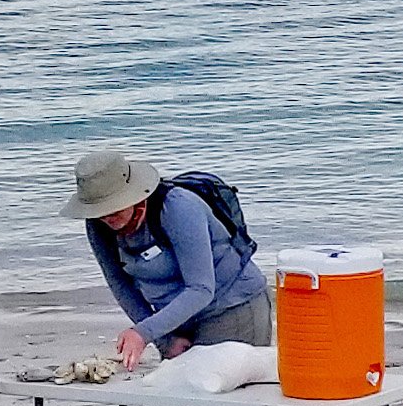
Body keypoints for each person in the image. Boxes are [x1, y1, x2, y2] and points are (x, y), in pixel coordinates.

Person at [68, 149, 270, 368]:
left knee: (215, 385)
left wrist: (142, 333)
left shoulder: (178, 207)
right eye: (99, 209)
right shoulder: (98, 224)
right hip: (175, 320)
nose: (107, 216)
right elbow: (120, 284)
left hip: (231, 306)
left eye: (114, 206)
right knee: (179, 387)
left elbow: (201, 289)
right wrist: (163, 339)